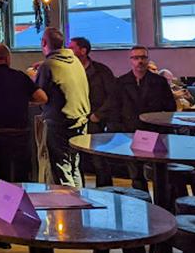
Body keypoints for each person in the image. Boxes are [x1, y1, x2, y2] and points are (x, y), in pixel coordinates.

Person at [0, 43, 47, 183]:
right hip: (20, 135)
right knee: (21, 177)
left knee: (0, 178)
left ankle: (3, 203)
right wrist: (25, 100)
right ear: (8, 58)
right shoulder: (20, 77)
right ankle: (21, 203)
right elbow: (43, 98)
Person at [112, 46, 176, 190]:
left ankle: (163, 206)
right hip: (131, 131)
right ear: (131, 60)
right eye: (136, 58)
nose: (139, 61)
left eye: (143, 57)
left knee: (159, 173)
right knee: (136, 175)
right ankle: (142, 207)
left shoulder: (159, 82)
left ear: (147, 60)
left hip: (155, 131)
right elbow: (116, 107)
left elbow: (170, 108)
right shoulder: (121, 82)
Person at [35, 27, 90, 187]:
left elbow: (39, 96)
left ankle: (67, 209)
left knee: (61, 170)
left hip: (59, 125)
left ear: (44, 43)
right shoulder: (76, 63)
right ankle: (80, 204)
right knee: (74, 167)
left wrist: (33, 78)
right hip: (80, 122)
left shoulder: (48, 66)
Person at [68, 37, 116, 187]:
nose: (69, 51)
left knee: (99, 161)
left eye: (72, 48)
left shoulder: (102, 71)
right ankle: (80, 194)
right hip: (77, 120)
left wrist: (99, 115)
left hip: (96, 121)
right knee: (77, 161)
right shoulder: (70, 71)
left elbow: (113, 95)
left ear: (83, 51)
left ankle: (105, 194)